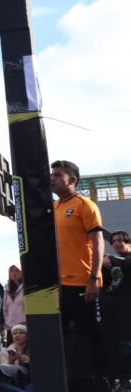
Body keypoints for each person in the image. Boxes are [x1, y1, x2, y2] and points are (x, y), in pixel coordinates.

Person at [50, 158, 107, 389]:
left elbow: (99, 242)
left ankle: (101, 381)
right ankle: (69, 382)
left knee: (90, 333)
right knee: (60, 335)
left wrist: (93, 279)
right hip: (59, 284)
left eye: (57, 175)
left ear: (72, 180)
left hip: (83, 281)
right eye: (51, 174)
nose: (52, 178)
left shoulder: (86, 205)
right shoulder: (53, 207)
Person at [0, 324, 29, 389]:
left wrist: (24, 358)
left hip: (26, 376)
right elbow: (4, 368)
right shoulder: (6, 351)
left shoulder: (31, 350)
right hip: (10, 377)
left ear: (27, 336)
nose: (17, 335)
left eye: (21, 333)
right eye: (15, 333)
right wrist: (11, 361)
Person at [105, 229, 131, 293]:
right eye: (113, 242)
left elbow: (126, 262)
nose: (115, 243)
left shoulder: (114, 260)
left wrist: (110, 258)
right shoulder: (114, 261)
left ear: (129, 243)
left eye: (119, 240)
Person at [1, 265, 25, 334]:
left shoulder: (26, 288)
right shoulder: (7, 290)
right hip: (11, 327)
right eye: (11, 271)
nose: (14, 273)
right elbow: (5, 309)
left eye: (17, 270)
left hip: (25, 326)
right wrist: (7, 324)